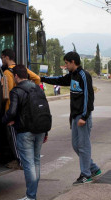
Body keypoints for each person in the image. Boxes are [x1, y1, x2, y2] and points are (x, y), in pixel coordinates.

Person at [41, 51, 101, 185]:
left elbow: (88, 98)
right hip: (74, 116)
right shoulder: (72, 75)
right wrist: (42, 79)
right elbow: (60, 80)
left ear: (73, 62)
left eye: (67, 63)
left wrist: (84, 117)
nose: (66, 66)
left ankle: (86, 175)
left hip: (82, 117)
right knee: (75, 145)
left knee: (83, 146)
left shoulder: (83, 76)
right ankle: (94, 168)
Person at [2, 65, 46, 200]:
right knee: (36, 161)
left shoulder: (16, 91)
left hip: (25, 131)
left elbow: (12, 111)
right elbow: (43, 110)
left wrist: (4, 120)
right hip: (40, 130)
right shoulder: (37, 88)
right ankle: (33, 194)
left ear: (16, 76)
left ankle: (31, 196)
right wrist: (46, 132)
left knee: (28, 164)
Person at [0, 49, 40, 169]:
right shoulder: (23, 70)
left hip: (11, 109)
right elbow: (37, 78)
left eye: (2, 58)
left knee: (12, 136)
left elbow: (7, 94)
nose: (1, 60)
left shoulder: (7, 73)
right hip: (23, 110)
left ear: (6, 58)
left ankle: (19, 161)